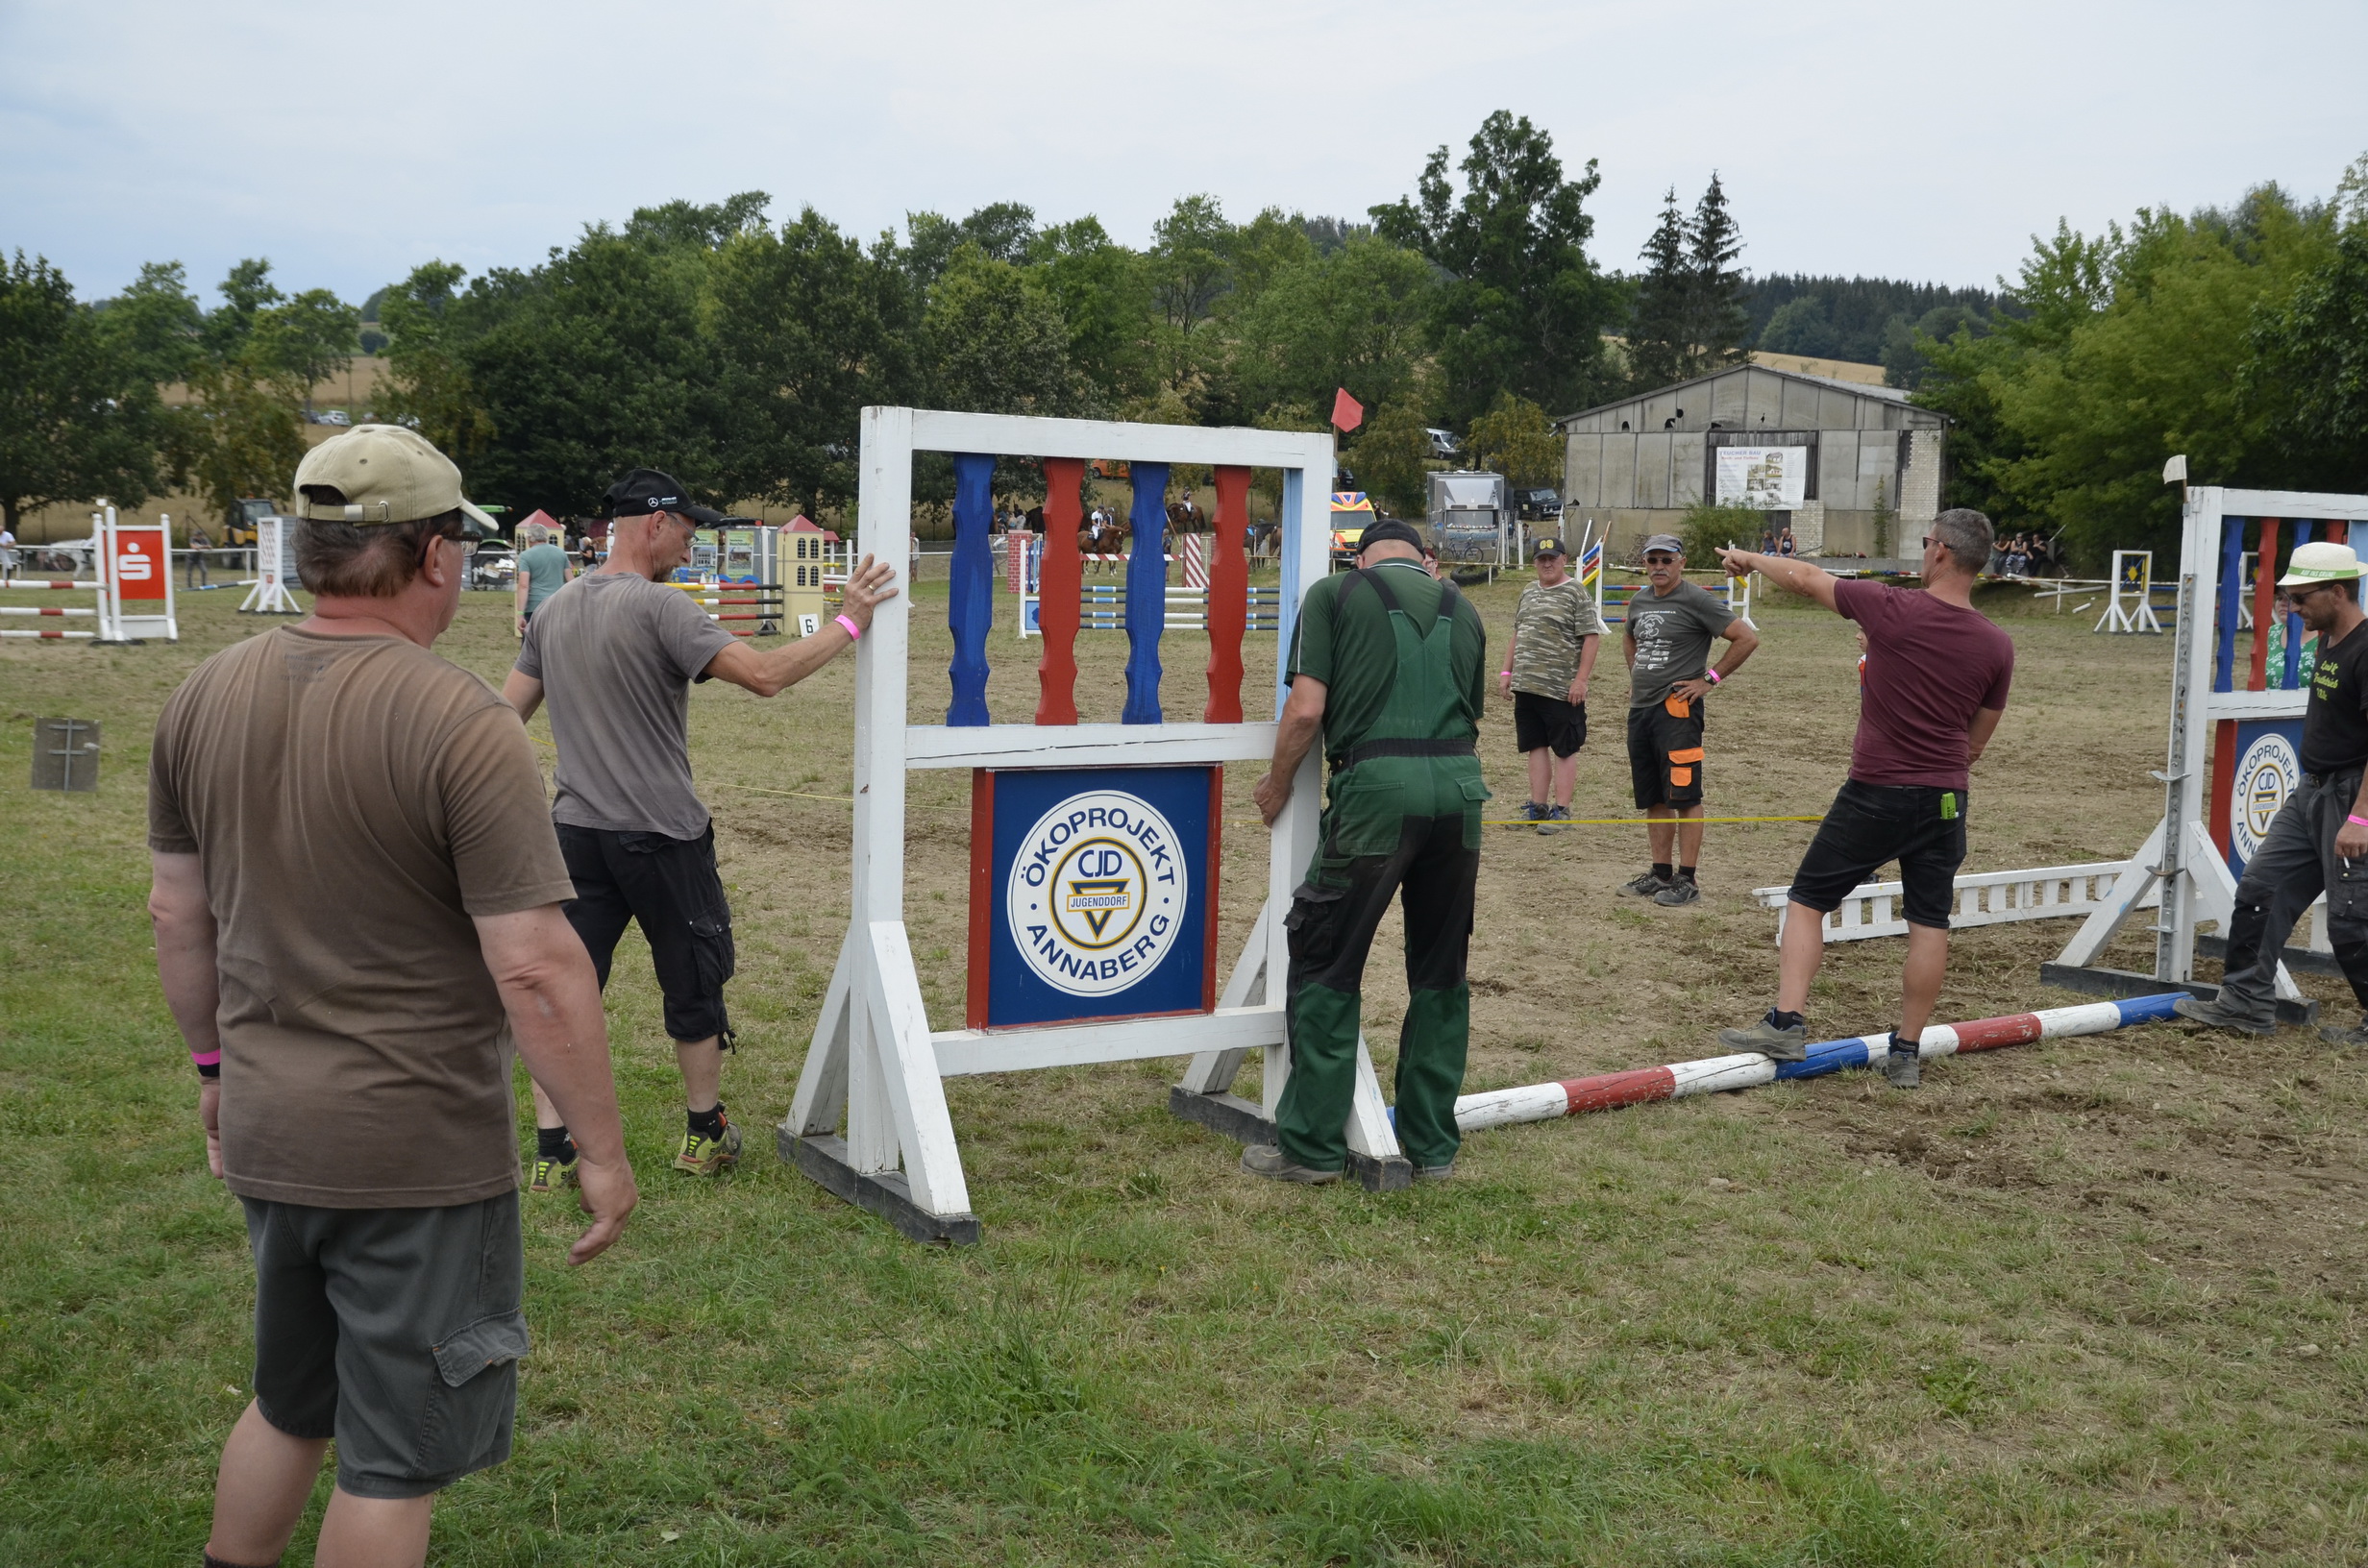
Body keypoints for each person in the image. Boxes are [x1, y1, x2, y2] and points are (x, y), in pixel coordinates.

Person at [148, 424, 635, 1568]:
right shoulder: (461, 720)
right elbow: (536, 964)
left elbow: (177, 915)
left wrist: (214, 1072)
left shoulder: (202, 692)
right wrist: (602, 1152)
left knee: (288, 1403)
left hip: (271, 1127)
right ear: (435, 556)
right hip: (414, 1153)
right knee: (392, 1462)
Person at [504, 467, 898, 1188]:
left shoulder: (554, 611)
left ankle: (553, 1151)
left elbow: (503, 721)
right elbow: (766, 676)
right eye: (687, 532)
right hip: (662, 835)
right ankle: (704, 1131)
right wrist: (849, 621)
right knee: (693, 981)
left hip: (576, 835)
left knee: (563, 990)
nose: (691, 548)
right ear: (655, 523)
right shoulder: (663, 608)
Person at [1712, 509, 2014, 1085]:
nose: (1923, 550)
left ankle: (1786, 1023)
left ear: (1942, 551)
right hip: (1947, 798)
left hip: (1877, 789)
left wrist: (1747, 558)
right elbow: (1976, 741)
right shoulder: (1998, 644)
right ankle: (1906, 1053)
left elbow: (1806, 578)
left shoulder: (1892, 606)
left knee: (1808, 901)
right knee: (1929, 921)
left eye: (1925, 542)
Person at [1241, 517, 1490, 1185]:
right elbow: (1469, 708)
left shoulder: (1333, 595)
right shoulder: (1464, 608)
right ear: (1424, 558)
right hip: (1461, 791)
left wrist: (1277, 782)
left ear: (1359, 559)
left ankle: (1311, 1147)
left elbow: (1305, 709)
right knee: (1441, 970)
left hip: (1376, 792)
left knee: (1325, 957)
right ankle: (1431, 1145)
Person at [2174, 541, 2368, 1045]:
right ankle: (2245, 1003)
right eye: (2288, 598)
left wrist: (2360, 818)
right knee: (2261, 889)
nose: (2293, 608)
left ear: (2338, 592)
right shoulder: (2329, 640)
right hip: (2313, 790)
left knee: (2352, 921)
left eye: (2301, 598)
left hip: (2353, 796)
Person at [1618, 533, 1759, 906]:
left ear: (1681, 562)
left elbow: (1746, 638)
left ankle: (1687, 879)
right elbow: (1628, 637)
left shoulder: (1697, 599)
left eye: (1667, 560)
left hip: (1677, 711)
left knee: (1684, 794)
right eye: (1652, 560)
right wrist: (1636, 673)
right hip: (1641, 711)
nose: (1659, 567)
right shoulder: (1640, 600)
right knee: (1654, 795)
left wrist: (1708, 680)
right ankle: (1660, 873)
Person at [1499, 535, 1605, 834]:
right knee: (1534, 745)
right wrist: (1506, 672)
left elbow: (1591, 637)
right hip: (1527, 685)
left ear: (1564, 559)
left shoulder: (1576, 592)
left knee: (1564, 748)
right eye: (1541, 559)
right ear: (1534, 563)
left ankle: (1562, 810)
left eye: (1553, 558)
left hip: (1560, 689)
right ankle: (1538, 807)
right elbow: (1518, 632)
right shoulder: (1528, 591)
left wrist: (1580, 680)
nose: (1547, 564)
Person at [512, 521, 573, 640]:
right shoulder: (561, 553)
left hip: (535, 607)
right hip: (557, 605)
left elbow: (523, 585)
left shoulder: (525, 555)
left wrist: (520, 614)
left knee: (532, 645)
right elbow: (571, 581)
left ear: (530, 538)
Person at [185, 521, 212, 588]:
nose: (196, 536)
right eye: (195, 535)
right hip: (190, 558)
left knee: (204, 571)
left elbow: (210, 547)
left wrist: (201, 547)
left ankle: (203, 584)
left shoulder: (204, 540)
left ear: (201, 536)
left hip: (199, 559)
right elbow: (193, 547)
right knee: (189, 573)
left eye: (197, 535)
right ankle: (190, 586)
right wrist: (203, 547)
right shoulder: (192, 539)